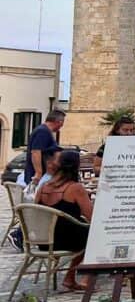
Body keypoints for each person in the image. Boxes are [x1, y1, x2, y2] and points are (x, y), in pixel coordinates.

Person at [34, 150, 92, 291]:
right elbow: (91, 217)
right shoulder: (75, 188)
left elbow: (36, 212)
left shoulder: (43, 187)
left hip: (44, 241)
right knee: (94, 235)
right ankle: (79, 277)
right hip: (66, 242)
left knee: (85, 234)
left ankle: (72, 277)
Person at [24, 109, 66, 188]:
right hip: (39, 177)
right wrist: (38, 173)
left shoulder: (44, 131)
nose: (61, 126)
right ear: (59, 122)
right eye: (62, 123)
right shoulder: (43, 132)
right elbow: (36, 152)